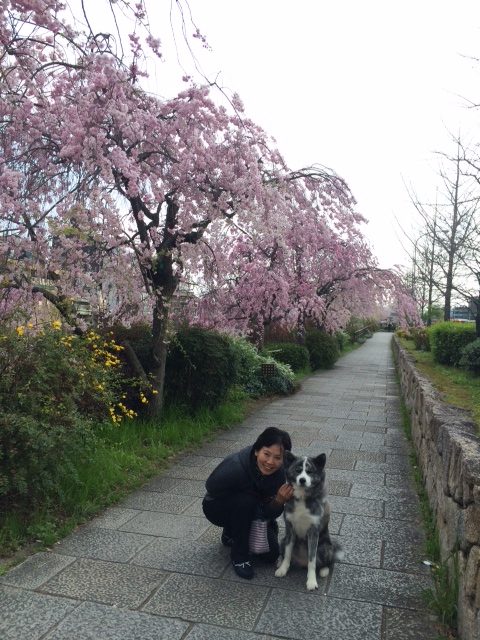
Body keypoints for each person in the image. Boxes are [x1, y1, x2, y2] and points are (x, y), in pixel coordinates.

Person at [202, 426, 294, 580]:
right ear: (257, 450)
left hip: (254, 512)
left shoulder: (280, 474)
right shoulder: (236, 465)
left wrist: (278, 501)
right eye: (266, 454)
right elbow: (211, 487)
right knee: (246, 500)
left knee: (271, 555)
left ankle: (231, 533)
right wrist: (243, 497)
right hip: (217, 508)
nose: (270, 462)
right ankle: (240, 557)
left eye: (277, 458)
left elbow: (270, 512)